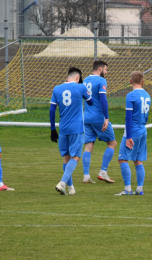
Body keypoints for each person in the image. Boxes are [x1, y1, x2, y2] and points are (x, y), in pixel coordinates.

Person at [49, 67, 93, 195]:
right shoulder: (81, 87)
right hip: (77, 129)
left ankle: (71, 188)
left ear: (67, 77)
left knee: (66, 158)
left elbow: (52, 110)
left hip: (63, 129)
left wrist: (53, 129)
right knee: (76, 157)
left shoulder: (57, 89)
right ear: (78, 78)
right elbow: (91, 102)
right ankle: (62, 182)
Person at [115, 71, 151, 195]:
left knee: (122, 159)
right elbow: (146, 117)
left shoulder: (131, 95)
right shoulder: (147, 95)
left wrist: (128, 136)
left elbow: (128, 118)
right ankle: (139, 189)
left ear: (130, 81)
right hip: (142, 130)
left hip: (133, 131)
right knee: (137, 159)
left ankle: (128, 189)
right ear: (143, 82)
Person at [82, 61, 117, 184]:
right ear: (100, 69)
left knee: (88, 146)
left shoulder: (85, 80)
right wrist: (106, 118)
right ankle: (103, 172)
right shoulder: (101, 81)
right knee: (112, 143)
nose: (106, 72)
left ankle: (86, 176)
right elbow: (103, 100)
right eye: (106, 70)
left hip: (86, 117)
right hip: (98, 118)